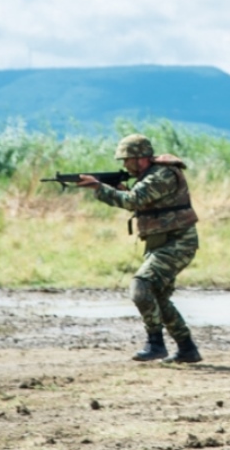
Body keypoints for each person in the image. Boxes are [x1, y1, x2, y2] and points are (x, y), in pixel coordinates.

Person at [78, 133, 202, 364]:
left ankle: (155, 344)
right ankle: (187, 349)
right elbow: (141, 201)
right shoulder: (151, 175)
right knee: (159, 298)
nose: (124, 164)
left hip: (177, 243)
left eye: (127, 159)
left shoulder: (162, 174)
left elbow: (134, 200)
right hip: (160, 243)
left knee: (141, 287)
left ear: (140, 158)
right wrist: (115, 189)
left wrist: (99, 187)